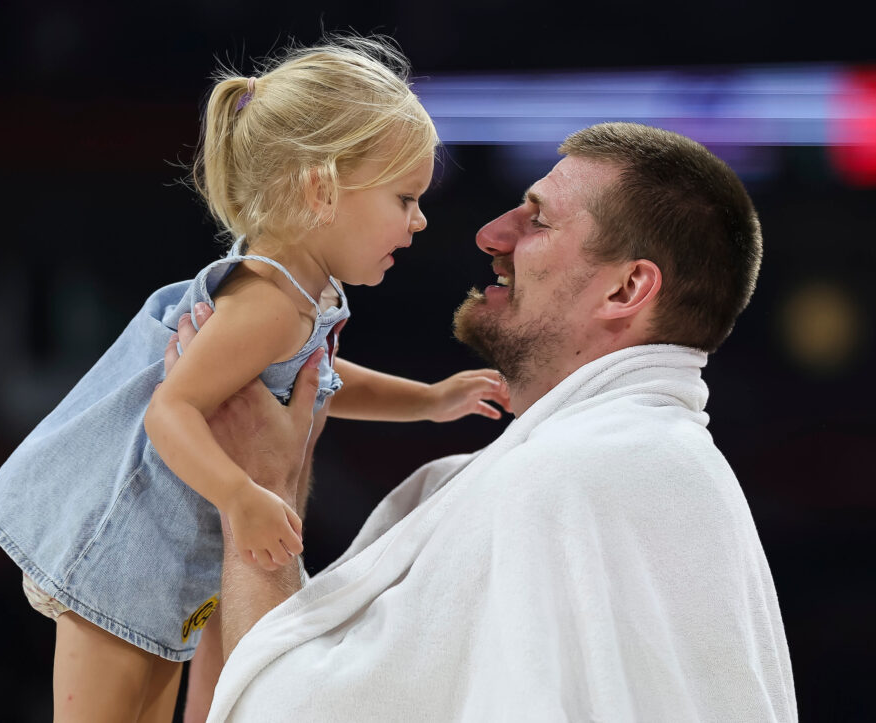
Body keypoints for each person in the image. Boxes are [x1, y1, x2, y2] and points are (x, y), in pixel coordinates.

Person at [172, 122, 797, 721]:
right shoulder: (656, 471)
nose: (492, 234)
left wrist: (259, 486)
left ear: (626, 288)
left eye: (538, 220)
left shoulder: (569, 478)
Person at [0, 37, 510, 722]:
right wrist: (241, 496)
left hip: (168, 565)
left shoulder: (297, 296)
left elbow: (320, 377)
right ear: (321, 189)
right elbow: (171, 411)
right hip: (122, 554)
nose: (420, 218)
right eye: (405, 198)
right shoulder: (265, 302)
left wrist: (432, 400)